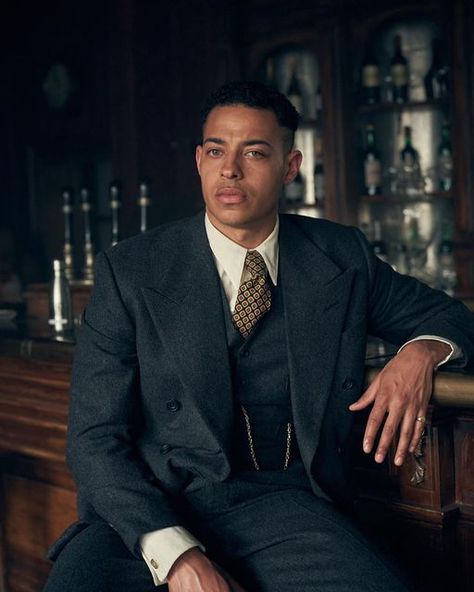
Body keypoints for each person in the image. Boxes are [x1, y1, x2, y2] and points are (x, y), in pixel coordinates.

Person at [43, 81, 474, 592]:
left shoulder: (340, 256)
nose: (231, 169)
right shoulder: (131, 270)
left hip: (284, 508)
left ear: (290, 167)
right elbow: (93, 439)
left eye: (254, 152)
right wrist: (177, 556)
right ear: (200, 161)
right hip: (148, 508)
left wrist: (421, 351)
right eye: (216, 150)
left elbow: (453, 318)